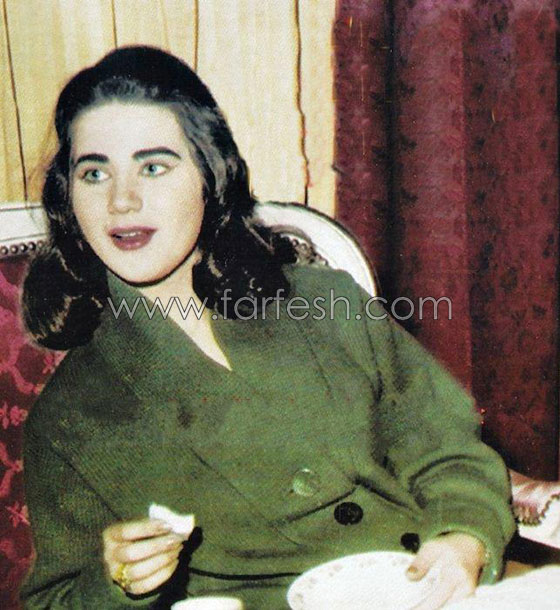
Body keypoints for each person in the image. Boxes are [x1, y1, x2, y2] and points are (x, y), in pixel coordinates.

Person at [20, 46, 515, 609]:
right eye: (94, 173)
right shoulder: (68, 418)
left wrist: (463, 538)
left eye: (153, 167)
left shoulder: (326, 302)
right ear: (69, 197)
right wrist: (117, 583)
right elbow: (52, 602)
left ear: (209, 175)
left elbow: (448, 450)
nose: (122, 201)